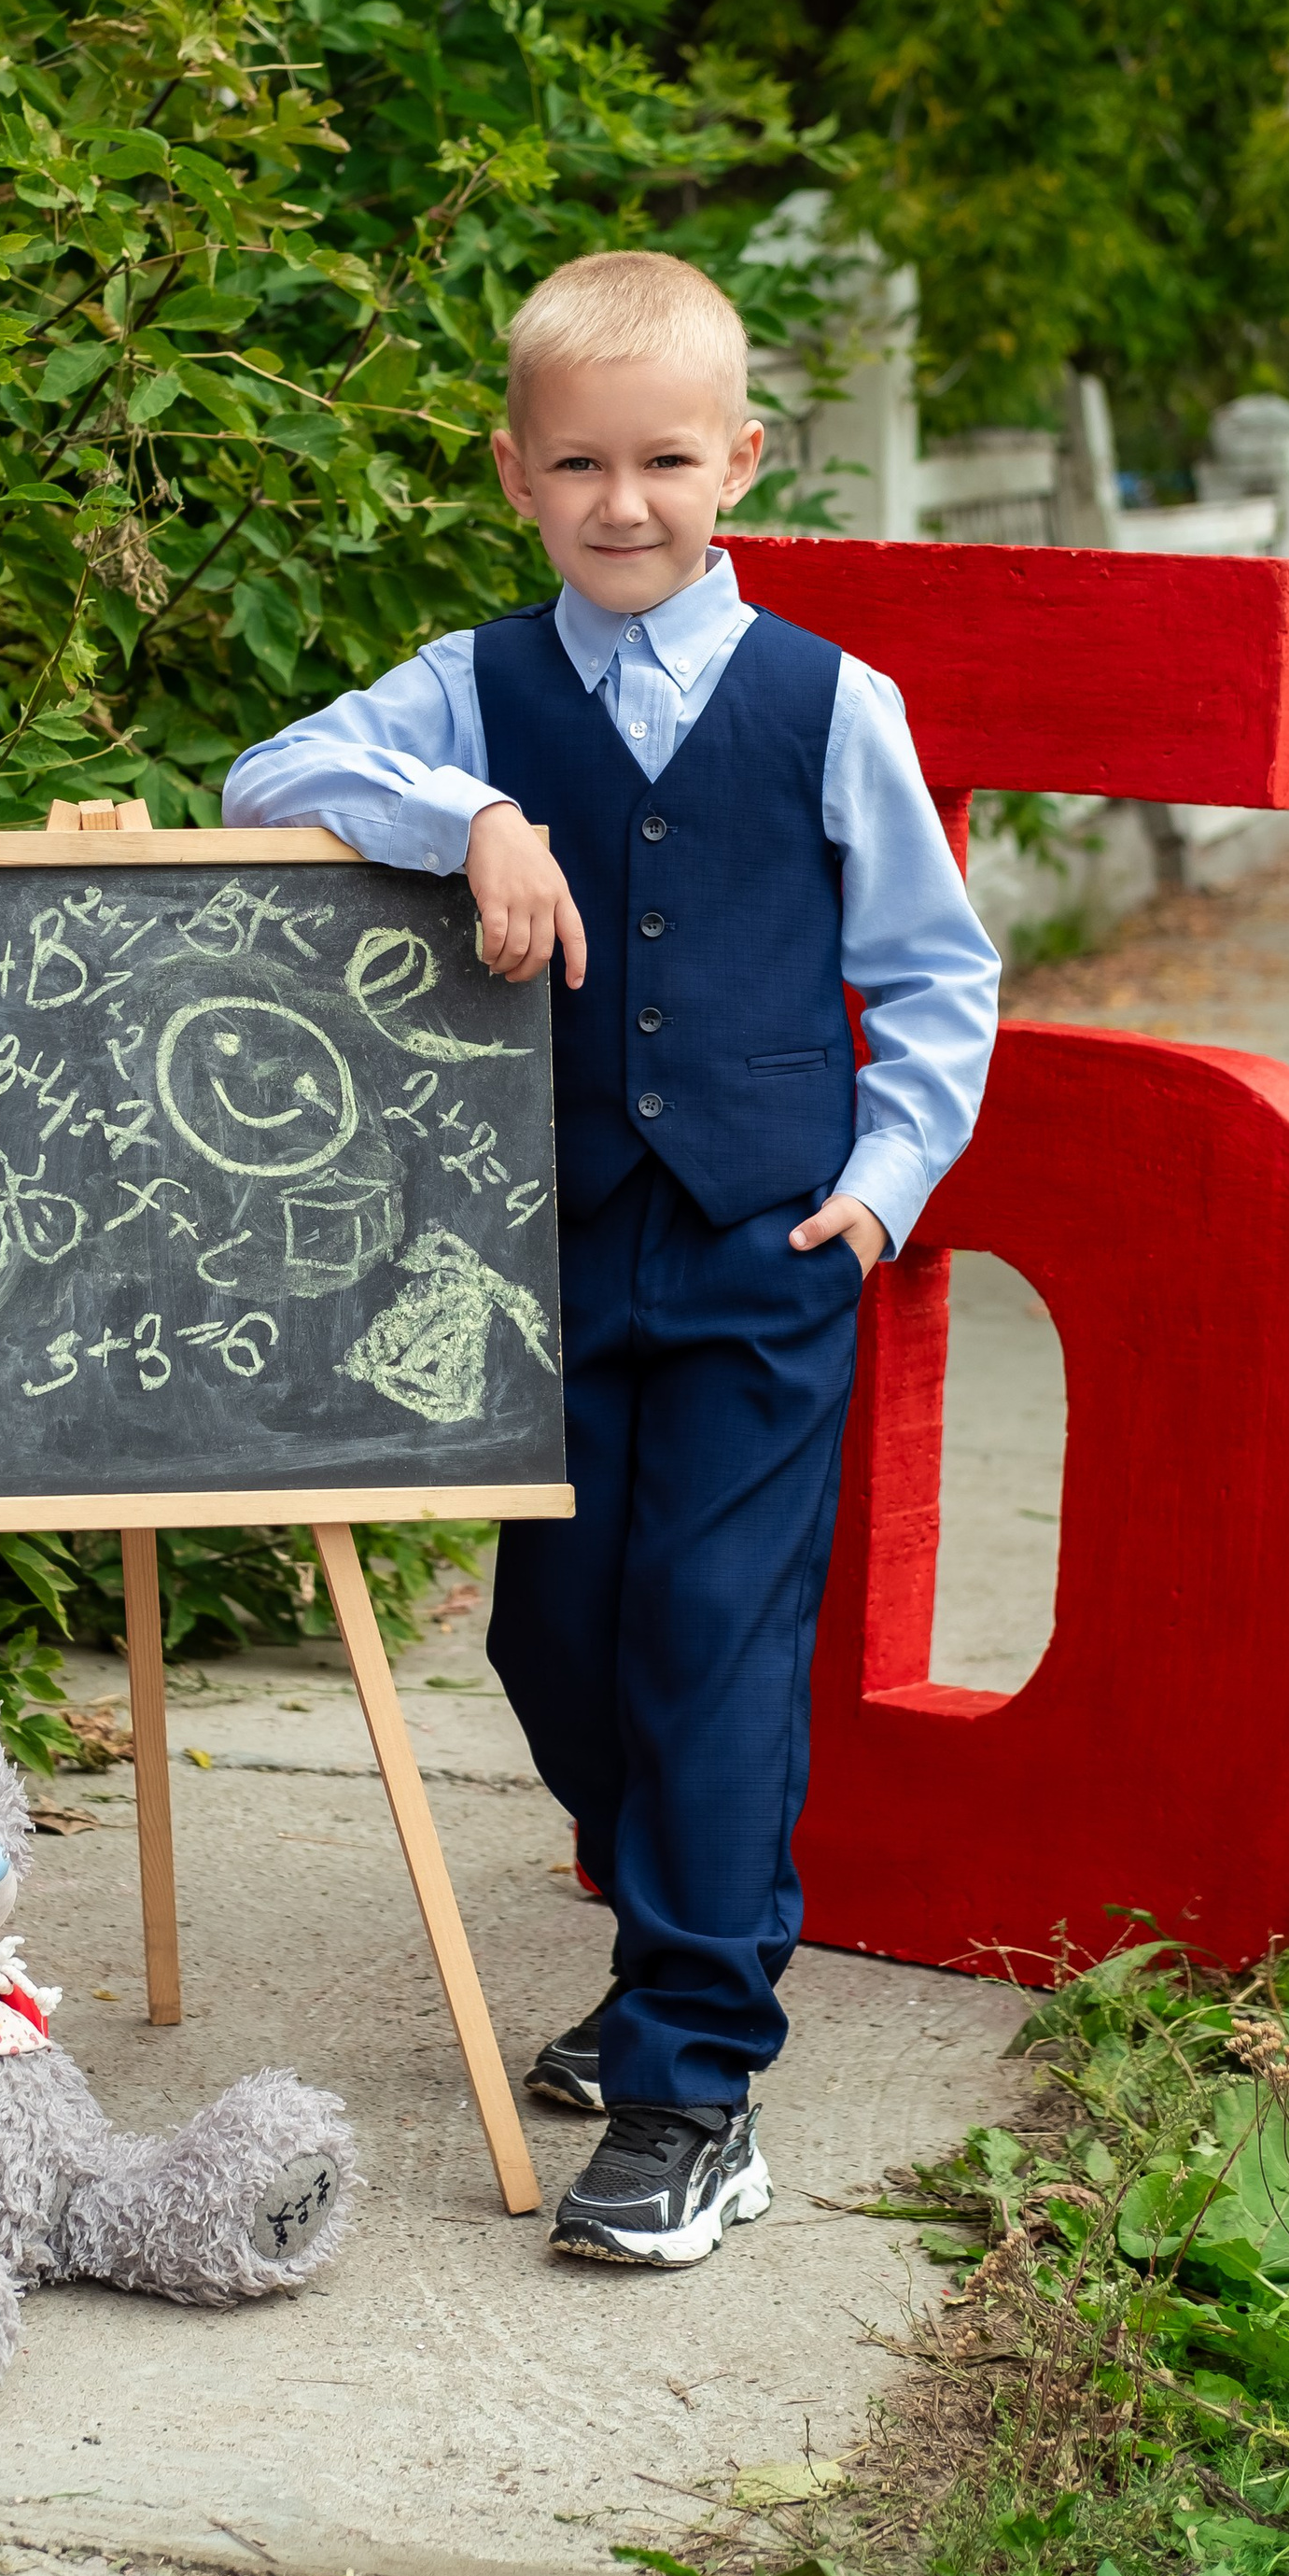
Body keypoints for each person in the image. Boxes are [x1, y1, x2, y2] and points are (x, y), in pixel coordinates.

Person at [223, 248, 1000, 2271]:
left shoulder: (831, 703)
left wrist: (885, 1179)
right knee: (549, 1646)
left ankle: (689, 2084)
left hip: (760, 1245)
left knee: (710, 1641)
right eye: (579, 465)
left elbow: (928, 970)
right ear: (515, 474)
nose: (624, 503)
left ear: (737, 459)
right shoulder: (472, 687)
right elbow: (266, 777)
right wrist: (470, 814)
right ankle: (686, 1923)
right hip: (536, 1252)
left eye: (665, 459)